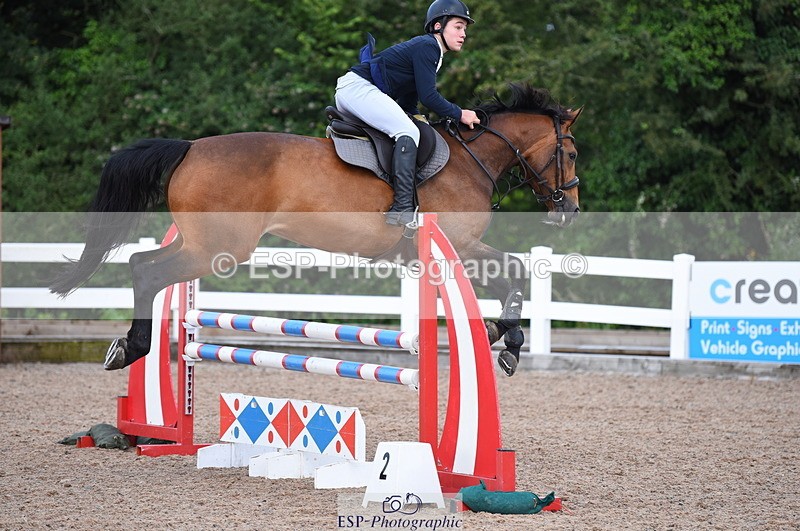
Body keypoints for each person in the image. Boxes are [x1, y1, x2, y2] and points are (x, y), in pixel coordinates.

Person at [334, 0, 482, 226]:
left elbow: (409, 97)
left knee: (411, 126)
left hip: (356, 90)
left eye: (465, 29)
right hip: (358, 90)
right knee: (408, 131)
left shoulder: (431, 50)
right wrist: (460, 113)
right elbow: (428, 97)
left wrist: (415, 114)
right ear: (438, 26)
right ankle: (403, 206)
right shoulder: (428, 46)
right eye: (458, 27)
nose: (463, 34)